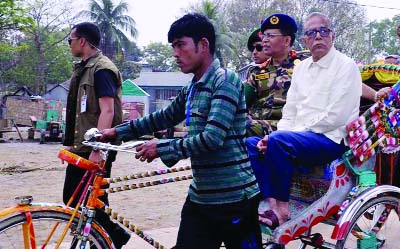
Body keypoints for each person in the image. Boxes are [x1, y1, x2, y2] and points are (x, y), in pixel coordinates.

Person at [99, 13, 262, 249]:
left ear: (203, 45)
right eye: (173, 46)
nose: (175, 53)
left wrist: (161, 147)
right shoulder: (193, 87)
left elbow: (212, 138)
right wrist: (118, 132)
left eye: (180, 45)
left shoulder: (225, 81)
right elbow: (164, 117)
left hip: (235, 198)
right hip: (202, 197)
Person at [247, 12, 362, 229]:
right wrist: (272, 137)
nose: (318, 36)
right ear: (305, 40)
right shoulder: (301, 68)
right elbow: (289, 112)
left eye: (323, 31)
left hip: (330, 139)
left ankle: (280, 211)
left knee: (280, 141)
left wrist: (286, 136)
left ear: (332, 35)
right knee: (251, 144)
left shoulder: (346, 66)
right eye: (311, 33)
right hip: (300, 137)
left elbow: (336, 116)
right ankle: (266, 201)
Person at [62, 22, 130, 248]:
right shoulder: (85, 68)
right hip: (84, 145)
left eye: (70, 40)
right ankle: (103, 240)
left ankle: (111, 237)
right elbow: (82, 111)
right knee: (78, 199)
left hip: (97, 147)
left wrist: (97, 149)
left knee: (89, 199)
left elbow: (108, 110)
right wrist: (73, 143)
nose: (69, 45)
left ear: (82, 41)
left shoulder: (102, 69)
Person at [244, 14, 302, 138]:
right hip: (257, 124)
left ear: (287, 41)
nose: (264, 40)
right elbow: (241, 102)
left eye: (270, 36)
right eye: (264, 35)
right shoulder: (257, 71)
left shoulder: (303, 66)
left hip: (289, 126)